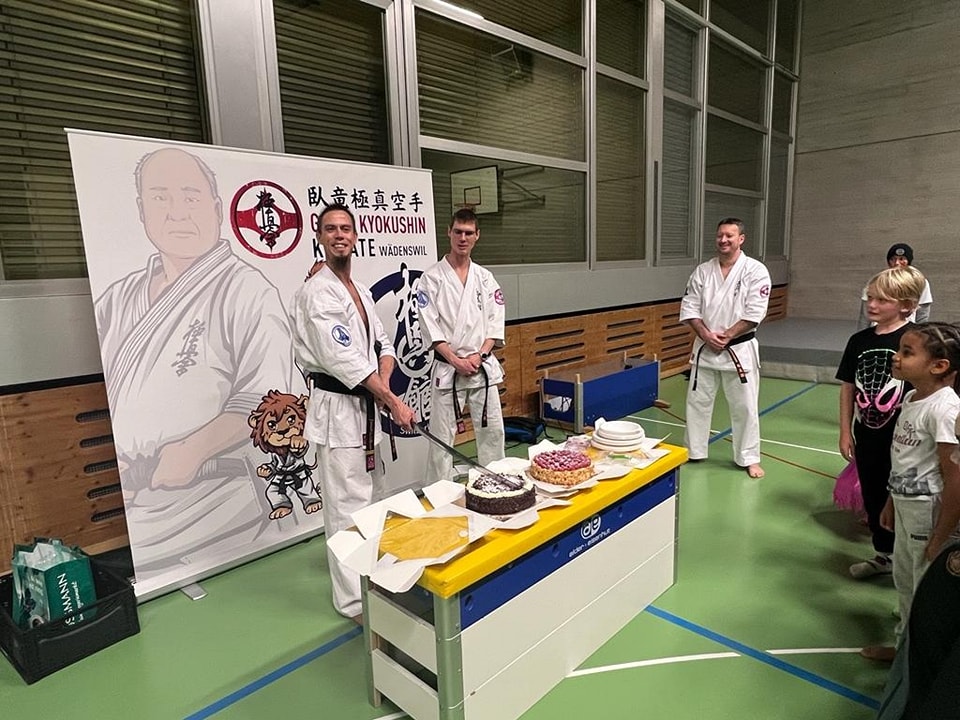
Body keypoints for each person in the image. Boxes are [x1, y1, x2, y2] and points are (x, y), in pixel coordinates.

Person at [94, 148, 295, 581]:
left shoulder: (247, 291)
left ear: (216, 208)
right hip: (140, 495)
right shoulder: (118, 298)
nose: (177, 212)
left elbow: (270, 400)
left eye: (190, 196)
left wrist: (193, 450)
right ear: (141, 210)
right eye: (160, 198)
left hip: (216, 498)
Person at [291, 203, 416, 619]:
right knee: (346, 510)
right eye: (331, 229)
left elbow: (383, 344)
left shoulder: (359, 290)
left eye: (345, 228)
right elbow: (343, 360)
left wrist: (384, 387)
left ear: (355, 236)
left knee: (373, 500)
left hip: (366, 408)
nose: (339, 235)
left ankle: (373, 580)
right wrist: (392, 400)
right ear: (320, 236)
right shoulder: (316, 293)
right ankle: (351, 601)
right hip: (339, 412)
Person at [862, 322, 960, 662]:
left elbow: (954, 477)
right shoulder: (911, 397)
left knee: (921, 584)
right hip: (906, 504)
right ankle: (905, 642)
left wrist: (940, 536)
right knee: (904, 576)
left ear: (939, 366)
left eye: (907, 352)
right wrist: (891, 500)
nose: (896, 356)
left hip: (926, 510)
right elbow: (906, 459)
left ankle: (915, 658)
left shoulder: (944, 410)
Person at [837, 266, 926, 580]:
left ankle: (914, 563)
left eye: (882, 300)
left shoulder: (916, 341)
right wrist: (845, 430)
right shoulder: (858, 340)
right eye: (870, 297)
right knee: (874, 495)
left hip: (908, 440)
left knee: (906, 500)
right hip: (868, 435)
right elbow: (848, 387)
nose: (871, 305)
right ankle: (884, 555)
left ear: (907, 305)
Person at [418, 208, 506, 484]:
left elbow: (495, 323)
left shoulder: (485, 278)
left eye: (469, 233)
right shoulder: (431, 278)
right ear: (449, 232)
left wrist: (480, 356)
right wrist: (456, 360)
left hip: (481, 366)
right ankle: (438, 491)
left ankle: (496, 484)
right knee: (442, 438)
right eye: (458, 232)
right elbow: (429, 327)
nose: (463, 238)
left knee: (493, 432)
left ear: (477, 235)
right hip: (449, 368)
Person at [680, 217, 771, 478]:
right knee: (697, 403)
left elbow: (755, 312)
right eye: (720, 235)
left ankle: (749, 458)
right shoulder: (703, 271)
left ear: (741, 239)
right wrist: (706, 335)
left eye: (729, 235)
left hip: (739, 350)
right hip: (705, 347)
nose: (723, 240)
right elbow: (690, 308)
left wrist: (727, 336)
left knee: (745, 407)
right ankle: (693, 451)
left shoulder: (755, 271)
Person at [858, 243, 933, 328]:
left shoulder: (920, 282)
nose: (897, 263)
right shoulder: (877, 281)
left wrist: (920, 333)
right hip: (878, 329)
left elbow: (922, 314)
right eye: (893, 259)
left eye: (901, 259)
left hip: (907, 330)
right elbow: (865, 316)